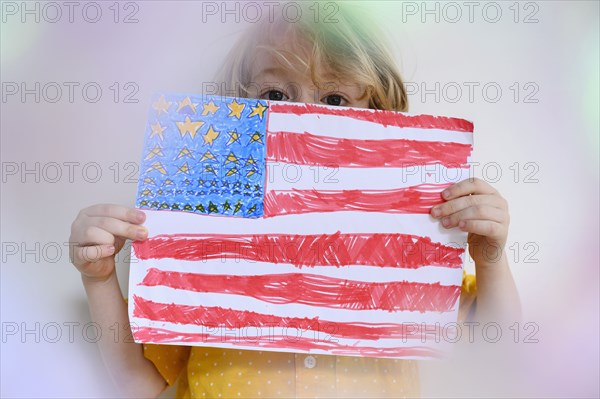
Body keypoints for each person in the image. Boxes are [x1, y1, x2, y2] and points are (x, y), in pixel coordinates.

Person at [69, 3, 520, 398]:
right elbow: (137, 384)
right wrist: (100, 278)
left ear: (378, 112)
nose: (301, 116)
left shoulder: (409, 238)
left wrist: (491, 257)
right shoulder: (200, 232)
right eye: (274, 95)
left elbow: (499, 353)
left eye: (336, 99)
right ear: (239, 106)